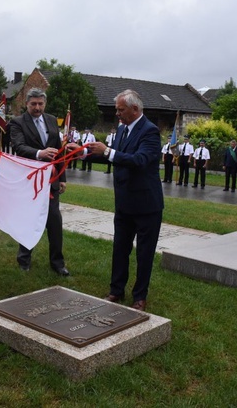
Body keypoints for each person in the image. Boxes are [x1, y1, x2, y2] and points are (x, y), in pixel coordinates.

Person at [76, 89, 163, 312]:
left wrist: (108, 152)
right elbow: (115, 158)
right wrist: (83, 153)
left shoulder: (150, 131)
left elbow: (139, 160)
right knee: (120, 248)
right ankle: (116, 290)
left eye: (120, 110)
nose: (117, 114)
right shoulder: (123, 130)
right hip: (124, 203)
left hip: (146, 205)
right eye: (116, 110)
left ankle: (140, 297)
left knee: (144, 254)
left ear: (135, 109)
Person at [10, 87, 70, 276]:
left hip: (51, 180)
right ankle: (24, 259)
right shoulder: (17, 122)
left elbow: (59, 151)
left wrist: (62, 178)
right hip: (31, 180)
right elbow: (18, 147)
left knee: (54, 221)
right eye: (33, 104)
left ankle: (58, 263)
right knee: (29, 220)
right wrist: (39, 153)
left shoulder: (52, 120)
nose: (37, 107)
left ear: (45, 104)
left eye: (40, 104)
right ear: (26, 104)